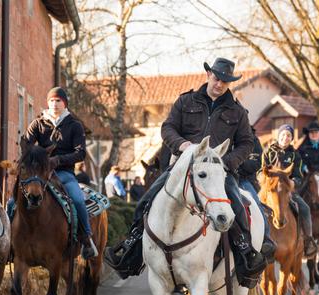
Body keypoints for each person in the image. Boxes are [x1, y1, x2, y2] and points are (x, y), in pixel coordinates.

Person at [105, 57, 273, 278]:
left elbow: (246, 143)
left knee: (237, 205)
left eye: (225, 81)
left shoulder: (237, 111)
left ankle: (244, 252)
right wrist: (181, 145)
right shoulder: (186, 102)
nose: (219, 84)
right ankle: (131, 246)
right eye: (216, 78)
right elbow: (168, 128)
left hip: (217, 171)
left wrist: (226, 163)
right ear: (208, 75)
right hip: (181, 167)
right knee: (147, 199)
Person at [24, 87, 98, 259]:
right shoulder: (37, 123)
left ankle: (86, 239)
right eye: (51, 100)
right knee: (14, 201)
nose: (55, 104)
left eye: (58, 100)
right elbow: (27, 146)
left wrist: (58, 160)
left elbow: (81, 153)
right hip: (39, 174)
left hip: (64, 173)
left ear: (65, 103)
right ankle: (12, 241)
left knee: (78, 199)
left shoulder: (74, 125)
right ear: (47, 103)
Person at [264, 124, 317, 258]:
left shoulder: (295, 155)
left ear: (291, 139)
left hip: (287, 191)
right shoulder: (267, 152)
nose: (285, 138)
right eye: (283, 135)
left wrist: (293, 183)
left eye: (289, 136)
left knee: (305, 208)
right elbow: (260, 172)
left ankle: (308, 240)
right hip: (269, 190)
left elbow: (298, 176)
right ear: (278, 136)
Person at [237, 127, 277, 262]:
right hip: (222, 175)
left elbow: (255, 162)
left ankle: (266, 239)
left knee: (256, 203)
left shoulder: (252, 138)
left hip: (244, 179)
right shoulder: (223, 130)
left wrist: (236, 164)